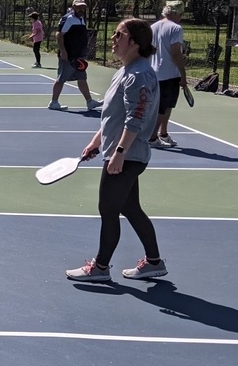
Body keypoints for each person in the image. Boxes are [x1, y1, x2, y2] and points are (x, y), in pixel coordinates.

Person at [66, 18, 166, 283]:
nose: (113, 39)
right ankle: (154, 263)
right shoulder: (125, 71)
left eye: (118, 35)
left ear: (134, 43)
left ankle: (100, 268)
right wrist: (97, 141)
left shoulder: (138, 75)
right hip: (121, 153)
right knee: (130, 208)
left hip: (128, 156)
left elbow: (136, 118)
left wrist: (119, 152)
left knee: (108, 209)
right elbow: (114, 115)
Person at [148, 1, 190, 148]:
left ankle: (163, 133)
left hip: (153, 73)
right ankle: (152, 138)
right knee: (163, 107)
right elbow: (175, 54)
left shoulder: (152, 27)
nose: (181, 18)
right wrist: (183, 76)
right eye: (181, 14)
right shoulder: (176, 28)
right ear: (175, 13)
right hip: (169, 75)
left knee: (166, 106)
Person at [47, 0, 101, 112]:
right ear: (73, 7)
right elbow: (59, 34)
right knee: (61, 79)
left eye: (83, 7)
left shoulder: (81, 19)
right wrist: (63, 51)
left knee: (82, 78)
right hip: (68, 55)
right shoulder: (68, 18)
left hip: (78, 56)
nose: (81, 9)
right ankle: (54, 102)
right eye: (79, 6)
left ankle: (89, 102)